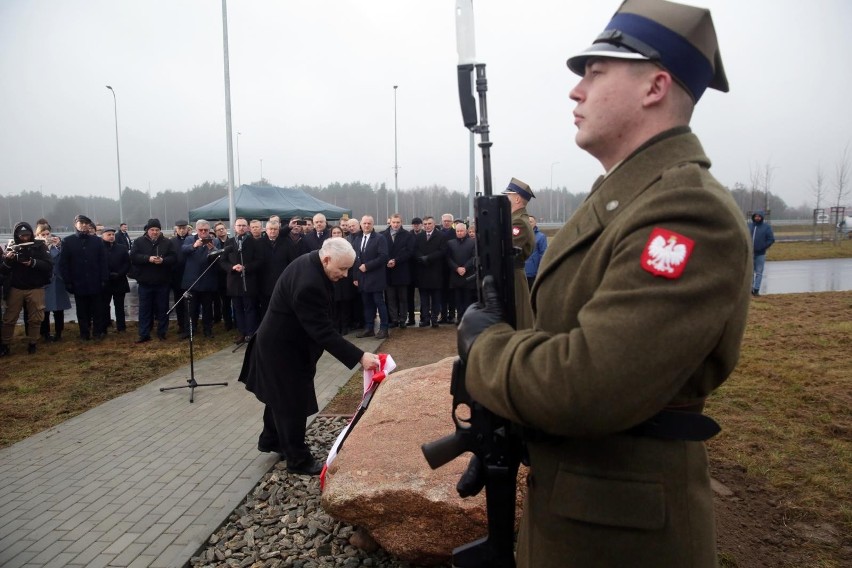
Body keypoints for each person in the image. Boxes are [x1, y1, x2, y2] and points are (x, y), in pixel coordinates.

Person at [458, 1, 751, 565]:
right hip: (585, 511)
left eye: (595, 72)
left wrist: (484, 349)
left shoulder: (685, 209)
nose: (576, 91)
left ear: (655, 86)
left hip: (624, 534)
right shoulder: (625, 197)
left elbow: (589, 384)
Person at [238, 237, 381, 475]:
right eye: (342, 268)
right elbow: (322, 331)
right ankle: (298, 460)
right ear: (326, 259)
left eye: (349, 268)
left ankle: (271, 440)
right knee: (292, 404)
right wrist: (359, 356)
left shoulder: (311, 260)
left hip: (282, 344)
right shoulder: (309, 284)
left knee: (278, 397)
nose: (345, 275)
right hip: (282, 351)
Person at [0, 222, 52, 356]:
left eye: (27, 235)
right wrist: (8, 260)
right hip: (15, 288)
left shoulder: (39, 246)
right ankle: (5, 345)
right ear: (17, 235)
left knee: (36, 318)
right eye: (22, 235)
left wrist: (32, 262)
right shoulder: (10, 247)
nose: (25, 238)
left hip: (35, 287)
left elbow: (48, 265)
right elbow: (3, 271)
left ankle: (33, 343)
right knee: (9, 318)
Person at [59, 214, 109, 340]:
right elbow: (64, 264)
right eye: (81, 223)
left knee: (97, 309)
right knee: (82, 311)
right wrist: (68, 282)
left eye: (86, 223)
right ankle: (84, 333)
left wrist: (104, 279)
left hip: (95, 281)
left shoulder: (97, 241)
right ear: (75, 224)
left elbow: (103, 261)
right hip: (78, 282)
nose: (84, 225)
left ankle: (97, 333)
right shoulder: (68, 241)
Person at [130, 218, 177, 342]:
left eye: (157, 230)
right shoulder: (139, 242)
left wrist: (163, 261)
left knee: (163, 309)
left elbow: (173, 258)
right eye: (152, 230)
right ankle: (144, 333)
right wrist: (148, 258)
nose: (155, 232)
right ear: (147, 230)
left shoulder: (167, 242)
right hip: (145, 282)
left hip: (162, 282)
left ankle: (162, 332)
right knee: (145, 309)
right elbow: (133, 257)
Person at [221, 218, 263, 344]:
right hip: (234, 281)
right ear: (234, 227)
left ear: (248, 227)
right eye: (239, 225)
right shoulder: (229, 242)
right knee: (237, 308)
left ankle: (251, 333)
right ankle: (242, 332)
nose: (241, 228)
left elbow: (259, 260)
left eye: (244, 225)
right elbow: (222, 260)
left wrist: (246, 267)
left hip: (248, 281)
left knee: (250, 308)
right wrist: (231, 267)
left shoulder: (253, 242)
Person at [502, 177, 536, 329]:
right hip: (511, 273)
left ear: (516, 198)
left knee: (518, 319)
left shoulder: (518, 222)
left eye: (508, 196)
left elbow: (507, 250)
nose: (506, 199)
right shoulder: (516, 219)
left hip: (513, 274)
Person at [181, 219, 221, 338]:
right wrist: (194, 245)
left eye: (206, 230)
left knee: (207, 309)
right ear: (196, 230)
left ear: (209, 230)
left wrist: (212, 250)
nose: (203, 232)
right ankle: (189, 331)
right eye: (201, 230)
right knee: (191, 309)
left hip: (207, 280)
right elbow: (183, 250)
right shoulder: (189, 239)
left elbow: (218, 257)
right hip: (192, 280)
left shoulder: (215, 241)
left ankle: (207, 330)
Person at [353, 215, 390, 339]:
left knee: (379, 303)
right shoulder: (357, 239)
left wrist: (367, 266)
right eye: (364, 223)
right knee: (367, 304)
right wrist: (355, 277)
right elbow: (354, 258)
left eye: (369, 223)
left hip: (376, 277)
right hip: (362, 278)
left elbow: (383, 256)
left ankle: (384, 329)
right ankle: (369, 328)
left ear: (372, 224)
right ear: (361, 224)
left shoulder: (380, 238)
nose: (366, 225)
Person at [35, 224, 71, 342]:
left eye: (47, 234)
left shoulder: (57, 246)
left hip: (57, 281)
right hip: (43, 281)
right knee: (44, 309)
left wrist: (58, 246)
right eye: (43, 234)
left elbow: (64, 260)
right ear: (38, 235)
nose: (46, 236)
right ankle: (45, 333)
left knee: (58, 309)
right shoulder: (36, 248)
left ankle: (59, 332)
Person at [413, 216, 446, 328]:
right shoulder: (419, 236)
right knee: (424, 299)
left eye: (429, 223)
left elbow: (442, 251)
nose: (427, 226)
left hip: (436, 272)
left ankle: (434, 319)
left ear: (434, 223)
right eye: (425, 224)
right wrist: (422, 258)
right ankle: (425, 319)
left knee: (436, 298)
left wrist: (429, 258)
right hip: (422, 271)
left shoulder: (441, 236)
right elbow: (415, 250)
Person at [257, 219, 293, 319]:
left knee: (282, 306)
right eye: (270, 229)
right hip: (264, 282)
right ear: (266, 230)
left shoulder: (286, 242)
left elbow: (291, 261)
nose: (272, 231)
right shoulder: (259, 243)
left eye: (275, 229)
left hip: (282, 281)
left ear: (279, 230)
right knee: (265, 308)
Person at [383, 214, 414, 328]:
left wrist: (396, 260)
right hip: (388, 272)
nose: (395, 224)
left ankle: (402, 320)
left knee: (402, 298)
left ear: (401, 222)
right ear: (390, 222)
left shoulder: (407, 235)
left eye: (398, 222)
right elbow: (381, 251)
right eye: (394, 222)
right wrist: (387, 261)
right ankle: (394, 319)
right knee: (390, 298)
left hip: (402, 271)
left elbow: (409, 252)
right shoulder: (383, 235)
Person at [100, 227, 130, 333]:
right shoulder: (99, 248)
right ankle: (104, 327)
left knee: (120, 306)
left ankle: (121, 327)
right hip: (105, 282)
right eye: (109, 234)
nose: (111, 236)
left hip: (119, 280)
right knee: (103, 306)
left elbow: (127, 263)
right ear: (102, 236)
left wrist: (119, 273)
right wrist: (107, 274)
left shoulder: (121, 248)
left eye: (113, 234)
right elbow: (97, 264)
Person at [445, 222, 476, 319]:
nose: (459, 233)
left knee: (468, 299)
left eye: (461, 231)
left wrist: (465, 268)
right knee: (457, 299)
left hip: (469, 275)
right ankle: (459, 317)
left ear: (466, 231)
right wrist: (457, 268)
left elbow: (474, 257)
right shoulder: (450, 243)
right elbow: (448, 258)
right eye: (457, 231)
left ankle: (467, 318)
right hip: (455, 275)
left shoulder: (473, 242)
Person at [170, 220, 192, 337]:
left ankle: (191, 325)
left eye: (184, 228)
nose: (182, 230)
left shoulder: (192, 240)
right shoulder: (172, 242)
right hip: (177, 276)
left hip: (190, 275)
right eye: (180, 228)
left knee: (190, 303)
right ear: (176, 229)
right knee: (179, 302)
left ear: (187, 229)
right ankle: (181, 325)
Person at [213, 221, 234, 331]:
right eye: (218, 229)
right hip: (220, 277)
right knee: (225, 302)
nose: (221, 230)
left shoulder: (232, 242)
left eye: (223, 228)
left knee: (234, 302)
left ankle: (236, 322)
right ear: (215, 232)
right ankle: (228, 323)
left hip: (232, 275)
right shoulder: (214, 243)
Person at [748, 211, 775, 296]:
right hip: (749, 254)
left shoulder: (766, 227)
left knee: (759, 273)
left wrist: (763, 246)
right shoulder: (749, 226)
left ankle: (756, 290)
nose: (757, 218)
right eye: (756, 216)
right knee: (750, 273)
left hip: (760, 254)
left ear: (762, 217)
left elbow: (771, 239)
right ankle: (750, 290)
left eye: (759, 216)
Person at [406, 217, 423, 326]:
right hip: (410, 270)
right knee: (409, 296)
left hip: (422, 269)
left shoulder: (424, 235)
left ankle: (423, 317)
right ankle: (411, 318)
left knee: (423, 295)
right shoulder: (408, 236)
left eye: (418, 224)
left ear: (421, 225)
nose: (416, 225)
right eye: (414, 224)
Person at [524, 215, 548, 289]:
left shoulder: (541, 237)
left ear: (535, 223)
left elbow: (543, 254)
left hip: (533, 273)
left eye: (531, 222)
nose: (529, 223)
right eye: (527, 222)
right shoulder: (521, 235)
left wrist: (540, 270)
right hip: (521, 272)